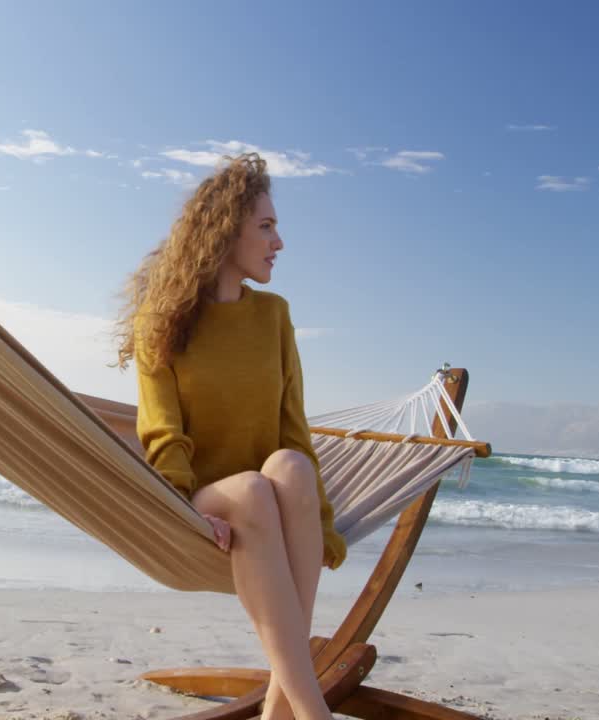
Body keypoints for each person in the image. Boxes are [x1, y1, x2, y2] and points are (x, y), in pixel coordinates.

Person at [113, 152, 347, 720]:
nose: (279, 242)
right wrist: (178, 511)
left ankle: (278, 711)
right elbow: (162, 434)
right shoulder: (160, 323)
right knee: (251, 490)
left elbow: (294, 428)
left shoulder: (275, 316)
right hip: (208, 500)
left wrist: (320, 521)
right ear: (224, 233)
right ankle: (312, 712)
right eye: (266, 226)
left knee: (288, 469)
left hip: (272, 492)